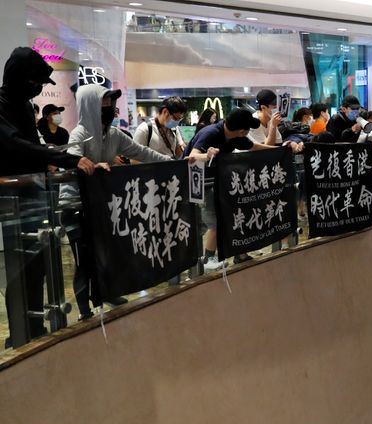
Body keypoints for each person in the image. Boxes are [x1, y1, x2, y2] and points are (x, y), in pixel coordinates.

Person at [0, 47, 102, 345]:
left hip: (36, 193)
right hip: (13, 200)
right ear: (21, 77)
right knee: (21, 267)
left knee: (41, 264)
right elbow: (16, 145)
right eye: (35, 81)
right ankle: (20, 334)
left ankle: (37, 326)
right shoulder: (3, 105)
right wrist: (69, 159)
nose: (38, 89)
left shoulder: (20, 105)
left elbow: (29, 146)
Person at [64, 84, 172, 319]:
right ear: (90, 105)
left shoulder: (113, 135)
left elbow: (141, 152)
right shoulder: (79, 133)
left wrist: (173, 162)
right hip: (75, 207)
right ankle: (84, 309)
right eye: (104, 103)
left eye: (111, 103)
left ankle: (107, 292)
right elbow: (71, 161)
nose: (110, 108)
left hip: (100, 205)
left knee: (107, 251)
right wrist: (90, 165)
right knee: (83, 260)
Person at [183, 107, 277, 271]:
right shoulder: (210, 133)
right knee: (215, 222)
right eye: (247, 129)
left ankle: (239, 254)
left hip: (218, 182)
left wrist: (280, 150)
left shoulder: (234, 136)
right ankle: (208, 260)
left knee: (230, 216)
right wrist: (207, 156)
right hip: (199, 185)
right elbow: (190, 157)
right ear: (242, 130)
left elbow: (254, 147)